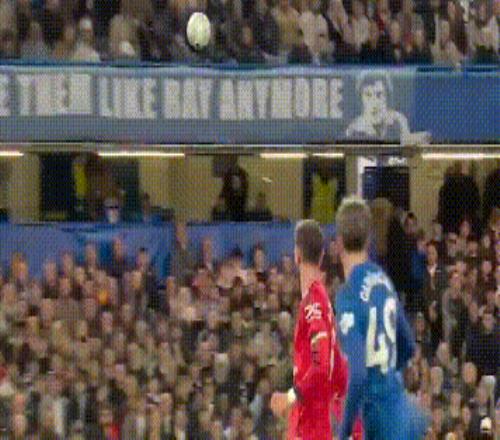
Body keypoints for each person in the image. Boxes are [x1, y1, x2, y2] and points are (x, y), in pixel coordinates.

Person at [334, 196, 429, 440]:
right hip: (400, 412)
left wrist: (343, 431)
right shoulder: (383, 280)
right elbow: (408, 345)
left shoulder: (348, 295)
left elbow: (357, 374)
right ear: (369, 240)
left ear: (338, 242)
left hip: (379, 421)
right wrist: (388, 375)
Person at [269, 220, 348, 440]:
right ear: (321, 256)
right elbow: (336, 366)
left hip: (311, 426)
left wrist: (289, 397)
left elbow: (321, 366)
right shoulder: (319, 300)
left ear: (296, 255)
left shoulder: (314, 302)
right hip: (311, 423)